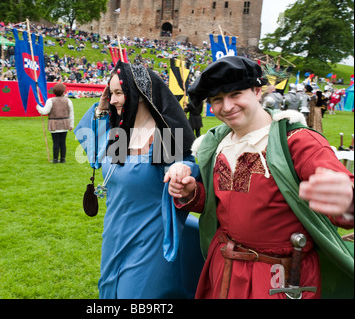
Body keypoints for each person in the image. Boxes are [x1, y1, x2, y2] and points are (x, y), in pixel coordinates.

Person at [164, 56, 354, 299]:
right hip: (224, 270)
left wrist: (346, 200)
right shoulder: (216, 144)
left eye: (235, 94)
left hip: (278, 278)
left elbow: (346, 203)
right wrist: (192, 193)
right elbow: (221, 205)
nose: (227, 106)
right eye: (217, 100)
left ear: (257, 91)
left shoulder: (298, 142)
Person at [75, 61, 203, 298]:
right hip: (115, 233)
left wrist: (182, 168)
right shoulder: (120, 133)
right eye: (110, 93)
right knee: (109, 291)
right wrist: (102, 109)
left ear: (139, 94)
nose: (112, 99)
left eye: (118, 93)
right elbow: (94, 156)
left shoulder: (163, 134)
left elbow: (186, 166)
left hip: (150, 238)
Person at [36, 82, 74, 163]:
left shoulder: (50, 101)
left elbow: (45, 111)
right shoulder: (68, 101)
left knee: (56, 142)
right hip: (64, 124)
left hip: (54, 125)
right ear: (63, 91)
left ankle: (55, 159)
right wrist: (71, 125)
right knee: (63, 143)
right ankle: (62, 159)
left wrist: (38, 107)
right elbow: (71, 114)